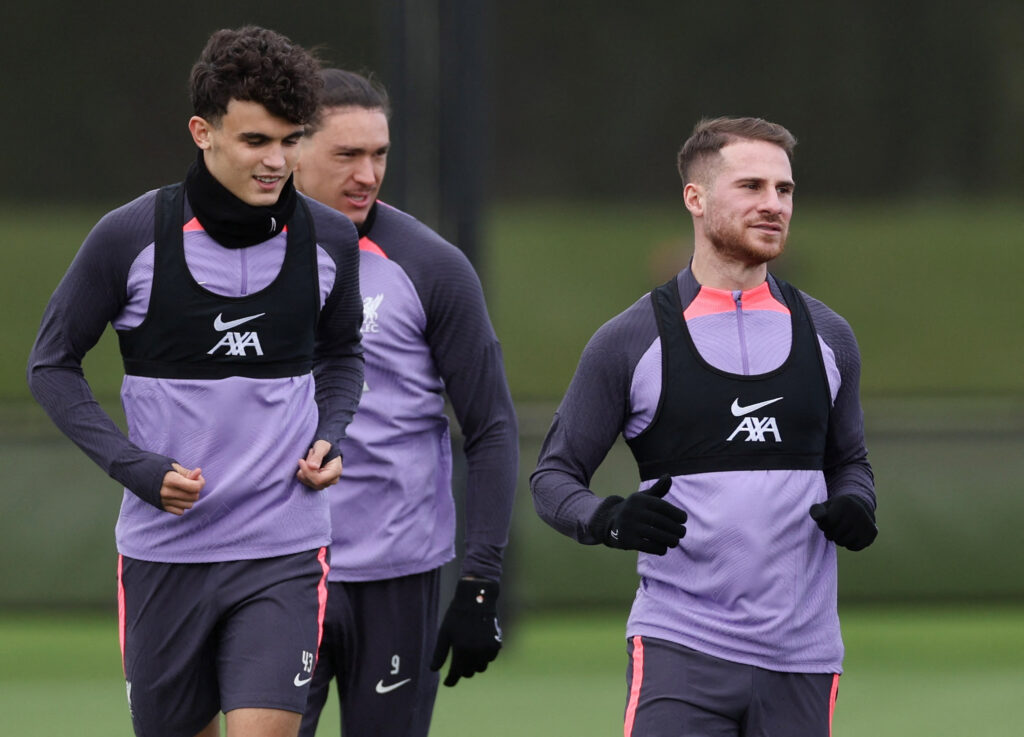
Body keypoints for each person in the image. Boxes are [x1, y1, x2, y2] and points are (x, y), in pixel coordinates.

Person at [27, 27, 364, 737]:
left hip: (282, 547)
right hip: (165, 553)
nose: (277, 161)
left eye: (290, 140)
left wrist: (330, 435)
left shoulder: (330, 240)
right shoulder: (130, 237)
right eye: (255, 140)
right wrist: (135, 467)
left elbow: (342, 355)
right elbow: (51, 364)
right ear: (202, 132)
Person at [530, 117, 877, 736]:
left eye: (784, 189)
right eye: (751, 186)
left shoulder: (830, 336)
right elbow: (553, 478)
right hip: (679, 646)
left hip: (803, 656)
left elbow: (850, 462)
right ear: (695, 197)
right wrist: (609, 519)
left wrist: (856, 502)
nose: (774, 204)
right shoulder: (629, 340)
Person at [291, 68, 519, 737]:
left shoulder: (432, 266)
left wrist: (481, 579)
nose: (367, 174)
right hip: (279, 570)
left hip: (398, 575)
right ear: (292, 149)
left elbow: (492, 427)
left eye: (379, 154)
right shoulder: (240, 261)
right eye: (347, 154)